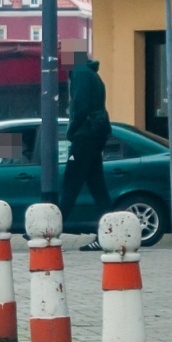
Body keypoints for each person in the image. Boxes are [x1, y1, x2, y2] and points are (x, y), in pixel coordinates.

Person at [61, 54, 112, 236]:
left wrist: (71, 130)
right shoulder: (92, 74)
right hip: (96, 134)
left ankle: (52, 229)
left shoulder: (80, 73)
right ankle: (111, 231)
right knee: (97, 186)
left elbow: (80, 105)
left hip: (85, 135)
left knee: (70, 182)